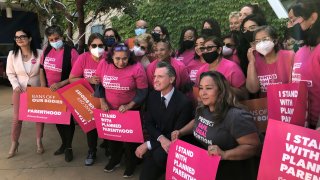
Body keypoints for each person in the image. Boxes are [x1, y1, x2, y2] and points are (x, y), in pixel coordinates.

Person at [172, 71, 260, 180]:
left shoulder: (236, 116)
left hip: (235, 172)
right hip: (211, 169)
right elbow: (197, 121)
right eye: (201, 88)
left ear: (221, 91)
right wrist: (181, 132)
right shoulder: (203, 107)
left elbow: (253, 146)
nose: (203, 93)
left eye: (208, 88)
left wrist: (225, 154)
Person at [95, 43, 148, 178]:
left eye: (124, 58)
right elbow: (99, 84)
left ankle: (131, 164)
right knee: (113, 138)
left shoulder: (137, 68)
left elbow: (143, 91)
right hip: (110, 110)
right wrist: (102, 101)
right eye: (117, 58)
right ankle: (115, 160)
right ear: (111, 57)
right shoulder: (103, 64)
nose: (121, 62)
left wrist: (129, 105)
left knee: (131, 141)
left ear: (129, 57)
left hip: (130, 110)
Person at [135, 61, 194, 180]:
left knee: (157, 156)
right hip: (159, 140)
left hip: (176, 144)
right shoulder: (152, 96)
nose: (155, 80)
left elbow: (177, 133)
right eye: (154, 76)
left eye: (160, 76)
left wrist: (149, 144)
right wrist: (160, 139)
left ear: (171, 79)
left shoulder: (184, 103)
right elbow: (149, 123)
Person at [40, 25, 79, 162]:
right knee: (57, 119)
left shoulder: (71, 52)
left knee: (68, 121)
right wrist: (44, 85)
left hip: (66, 90)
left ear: (62, 37)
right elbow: (41, 69)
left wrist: (61, 84)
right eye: (51, 39)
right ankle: (64, 143)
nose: (54, 41)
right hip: (51, 92)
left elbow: (77, 74)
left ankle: (68, 148)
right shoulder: (47, 50)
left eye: (57, 38)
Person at [6, 29, 44, 158]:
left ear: (30, 38)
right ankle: (14, 143)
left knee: (39, 117)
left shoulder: (40, 53)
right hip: (19, 90)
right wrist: (15, 85)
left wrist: (43, 87)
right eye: (16, 37)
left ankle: (39, 141)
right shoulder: (12, 54)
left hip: (37, 90)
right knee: (17, 118)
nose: (19, 39)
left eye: (22, 36)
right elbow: (10, 73)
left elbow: (43, 72)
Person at [69, 33, 106, 166]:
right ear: (89, 46)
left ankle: (110, 148)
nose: (97, 48)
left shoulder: (109, 57)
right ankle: (92, 150)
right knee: (91, 126)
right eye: (94, 45)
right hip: (88, 96)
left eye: (100, 45)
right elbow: (72, 78)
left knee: (107, 123)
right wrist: (88, 79)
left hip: (107, 96)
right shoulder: (83, 58)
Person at [287, 0, 320, 129]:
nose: (290, 25)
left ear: (312, 18)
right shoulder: (301, 51)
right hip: (303, 125)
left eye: (293, 19)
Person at [246, 26, 294, 98]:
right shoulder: (255, 61)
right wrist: (251, 62)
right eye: (257, 41)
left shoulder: (289, 56)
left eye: (265, 39)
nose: (261, 43)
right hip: (266, 106)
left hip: (286, 103)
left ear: (275, 41)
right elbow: (253, 89)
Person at [195, 36, 247, 100]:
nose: (205, 51)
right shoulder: (201, 71)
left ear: (219, 50)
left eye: (209, 48)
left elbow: (244, 94)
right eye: (203, 49)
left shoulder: (232, 67)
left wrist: (223, 88)